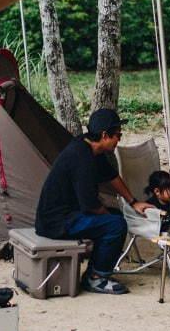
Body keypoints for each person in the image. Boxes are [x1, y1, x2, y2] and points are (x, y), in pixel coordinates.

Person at [34, 107, 150, 295]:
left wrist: (133, 202)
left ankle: (97, 269)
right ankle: (96, 277)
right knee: (115, 224)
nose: (119, 139)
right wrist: (109, 218)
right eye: (117, 135)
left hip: (67, 215)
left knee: (114, 218)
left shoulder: (89, 147)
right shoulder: (81, 158)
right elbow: (90, 205)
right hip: (56, 222)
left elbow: (113, 177)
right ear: (105, 135)